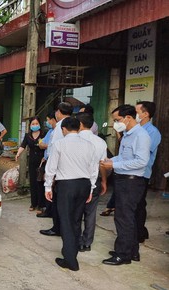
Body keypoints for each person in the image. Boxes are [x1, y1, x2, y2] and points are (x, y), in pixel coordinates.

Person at [44, 117, 97, 271]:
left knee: (66, 221)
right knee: (75, 220)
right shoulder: (89, 145)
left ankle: (70, 260)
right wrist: (91, 189)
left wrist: (48, 187)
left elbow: (51, 167)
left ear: (64, 129)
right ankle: (71, 251)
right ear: (79, 128)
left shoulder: (59, 144)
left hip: (67, 185)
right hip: (84, 184)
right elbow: (93, 169)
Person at [100, 104, 150, 266]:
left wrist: (113, 166)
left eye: (117, 120)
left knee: (124, 218)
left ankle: (123, 255)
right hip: (124, 180)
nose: (116, 123)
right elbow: (123, 157)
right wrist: (109, 161)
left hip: (131, 182)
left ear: (128, 118)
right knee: (129, 218)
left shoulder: (141, 136)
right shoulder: (128, 134)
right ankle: (132, 251)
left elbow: (141, 162)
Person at [75, 112, 108, 252]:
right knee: (90, 213)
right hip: (94, 182)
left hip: (76, 182)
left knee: (75, 213)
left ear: (80, 124)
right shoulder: (100, 142)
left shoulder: (74, 140)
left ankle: (76, 241)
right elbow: (103, 164)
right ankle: (87, 242)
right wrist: (104, 181)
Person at [40, 102, 73, 236]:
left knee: (58, 201)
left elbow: (55, 150)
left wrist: (50, 174)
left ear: (58, 112)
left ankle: (57, 228)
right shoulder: (71, 123)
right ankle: (60, 227)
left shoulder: (62, 127)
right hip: (67, 169)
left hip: (59, 169)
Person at [135, 101, 161, 243]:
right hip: (132, 173)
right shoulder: (137, 129)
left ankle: (140, 234)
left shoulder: (152, 132)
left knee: (139, 205)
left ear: (145, 114)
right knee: (135, 205)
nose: (135, 115)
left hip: (142, 173)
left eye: (137, 112)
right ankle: (140, 232)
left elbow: (141, 153)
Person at [15, 116, 45, 212]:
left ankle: (41, 205)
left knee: (40, 182)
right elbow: (23, 145)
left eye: (36, 123)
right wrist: (18, 153)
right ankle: (33, 203)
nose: (35, 125)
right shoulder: (28, 135)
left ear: (39, 124)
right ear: (30, 125)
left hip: (42, 162)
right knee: (33, 182)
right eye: (33, 124)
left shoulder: (44, 134)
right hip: (32, 161)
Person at [37, 111, 57, 218]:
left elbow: (46, 145)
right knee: (46, 184)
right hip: (46, 159)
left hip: (53, 161)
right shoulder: (50, 132)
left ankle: (50, 210)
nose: (47, 122)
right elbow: (41, 144)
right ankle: (47, 209)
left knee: (51, 185)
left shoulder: (57, 132)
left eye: (48, 120)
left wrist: (44, 144)